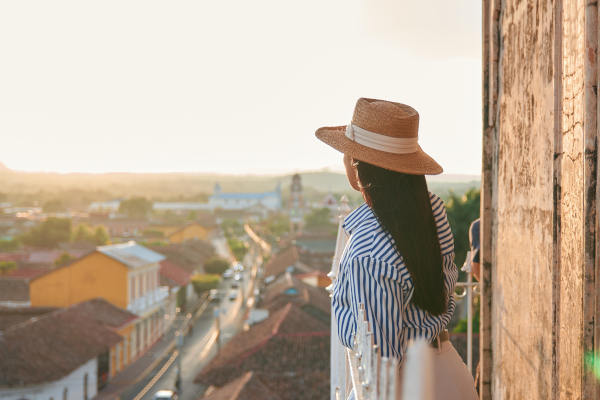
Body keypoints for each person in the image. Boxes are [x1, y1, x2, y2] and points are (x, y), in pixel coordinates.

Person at [316, 98, 477, 399]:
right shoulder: (433, 210)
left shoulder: (368, 254)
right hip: (450, 374)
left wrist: (340, 302)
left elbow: (381, 363)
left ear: (356, 165)